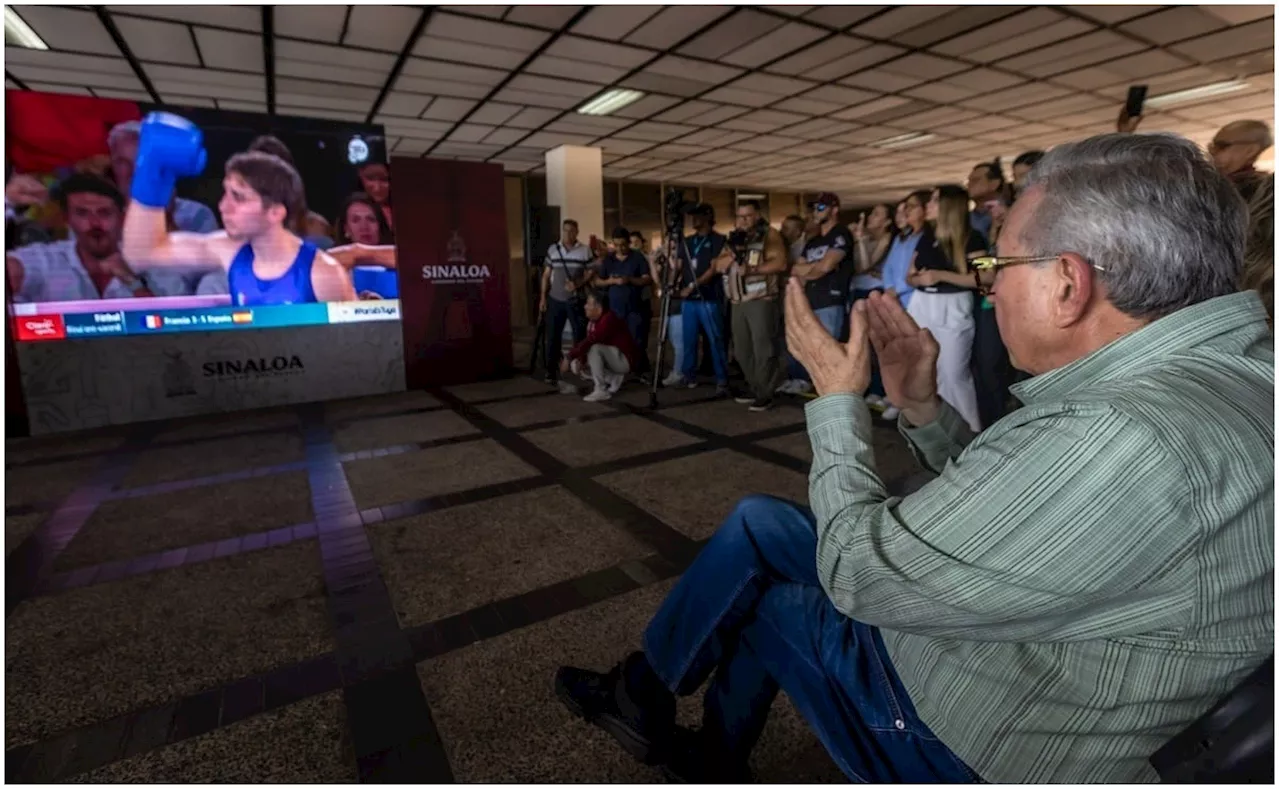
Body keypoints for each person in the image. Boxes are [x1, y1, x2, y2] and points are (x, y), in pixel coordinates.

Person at [555, 131, 1272, 784]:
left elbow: (857, 576)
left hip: (972, 728)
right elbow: (1024, 500)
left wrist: (836, 401)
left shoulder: (1126, 431)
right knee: (758, 522)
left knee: (767, 599)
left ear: (1067, 283)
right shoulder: (1232, 372)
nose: (988, 281)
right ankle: (645, 696)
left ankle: (697, 747)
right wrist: (925, 409)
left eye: (997, 261)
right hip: (1031, 637)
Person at [121, 114, 355, 306]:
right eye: (225, 192)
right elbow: (141, 254)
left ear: (275, 212)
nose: (223, 206)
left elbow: (357, 349)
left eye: (238, 197)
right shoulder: (228, 250)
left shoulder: (324, 274)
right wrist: (152, 176)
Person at [7, 173, 189, 302]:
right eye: (82, 213)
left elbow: (182, 337)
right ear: (67, 218)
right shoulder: (45, 260)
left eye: (104, 213)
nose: (94, 224)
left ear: (123, 218)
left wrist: (134, 284)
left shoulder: (158, 265)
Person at [906, 185, 985, 431]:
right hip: (922, 303)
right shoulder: (926, 238)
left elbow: (987, 276)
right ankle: (938, 427)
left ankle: (970, 430)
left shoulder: (973, 238)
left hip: (953, 304)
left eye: (934, 201)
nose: (928, 205)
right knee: (926, 369)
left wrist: (941, 275)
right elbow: (909, 275)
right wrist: (919, 280)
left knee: (953, 373)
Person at [715, 200, 789, 412]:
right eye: (740, 216)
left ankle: (765, 393)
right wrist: (734, 252)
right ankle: (755, 386)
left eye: (748, 216)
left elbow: (780, 263)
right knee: (741, 349)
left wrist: (754, 270)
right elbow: (718, 266)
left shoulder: (769, 235)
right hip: (737, 302)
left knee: (763, 348)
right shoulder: (733, 239)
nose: (743, 220)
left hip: (760, 300)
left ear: (757, 215)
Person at [779, 192, 853, 396]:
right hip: (810, 299)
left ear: (834, 209)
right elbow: (797, 270)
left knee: (827, 346)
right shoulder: (813, 242)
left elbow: (827, 266)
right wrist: (814, 269)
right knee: (804, 343)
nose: (815, 212)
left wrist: (812, 269)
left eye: (821, 208)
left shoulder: (841, 234)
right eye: (814, 208)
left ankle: (834, 389)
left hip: (831, 299)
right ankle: (802, 380)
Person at [107, 120, 218, 234]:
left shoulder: (197, 215)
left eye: (143, 163)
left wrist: (165, 217)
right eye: (122, 162)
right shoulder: (98, 214)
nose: (133, 172)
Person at [875, 190, 929, 420]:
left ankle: (908, 402)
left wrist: (897, 290)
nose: (906, 211)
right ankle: (897, 395)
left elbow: (915, 270)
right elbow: (889, 267)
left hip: (912, 299)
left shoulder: (925, 237)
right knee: (898, 352)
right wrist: (889, 289)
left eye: (912, 206)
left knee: (914, 353)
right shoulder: (902, 236)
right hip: (893, 299)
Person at [669, 203, 729, 393]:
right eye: (691, 216)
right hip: (689, 301)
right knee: (689, 340)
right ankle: (689, 376)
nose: (693, 220)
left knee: (715, 339)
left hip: (709, 297)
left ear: (708, 217)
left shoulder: (719, 240)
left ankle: (721, 379)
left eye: (697, 216)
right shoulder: (686, 242)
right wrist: (671, 284)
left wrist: (693, 286)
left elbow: (713, 268)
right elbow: (678, 266)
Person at [849, 203, 896, 409]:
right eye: (871, 213)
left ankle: (880, 389)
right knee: (860, 343)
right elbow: (858, 268)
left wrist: (859, 239)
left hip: (874, 293)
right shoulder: (865, 237)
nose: (870, 217)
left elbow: (864, 265)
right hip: (856, 291)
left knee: (877, 343)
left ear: (887, 222)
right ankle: (864, 387)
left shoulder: (887, 239)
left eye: (877, 214)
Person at [561, 288, 641, 403]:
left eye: (589, 304)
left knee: (595, 349)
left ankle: (601, 389)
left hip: (625, 360)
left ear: (599, 308)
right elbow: (587, 343)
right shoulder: (593, 322)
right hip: (613, 358)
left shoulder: (608, 319)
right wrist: (580, 361)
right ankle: (613, 378)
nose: (585, 307)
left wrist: (569, 356)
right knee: (576, 365)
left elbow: (592, 340)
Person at [540, 218, 593, 386]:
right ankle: (551, 371)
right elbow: (546, 275)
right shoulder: (553, 249)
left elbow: (591, 271)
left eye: (571, 231)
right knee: (553, 336)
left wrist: (578, 284)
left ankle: (580, 367)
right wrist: (543, 297)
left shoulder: (585, 250)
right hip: (555, 300)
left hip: (576, 300)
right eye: (565, 230)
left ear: (577, 232)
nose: (568, 234)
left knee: (580, 335)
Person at [589, 227, 651, 361]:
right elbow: (597, 281)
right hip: (615, 309)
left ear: (628, 243)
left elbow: (646, 279)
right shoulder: (609, 260)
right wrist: (611, 281)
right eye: (616, 245)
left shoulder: (637, 257)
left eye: (623, 245)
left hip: (635, 308)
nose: (620, 248)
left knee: (637, 340)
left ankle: (638, 368)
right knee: (616, 340)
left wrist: (630, 279)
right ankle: (620, 369)